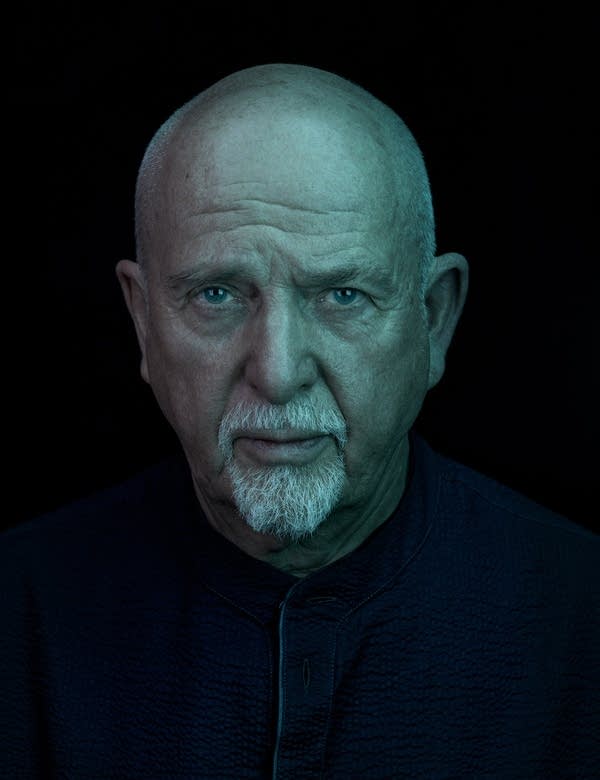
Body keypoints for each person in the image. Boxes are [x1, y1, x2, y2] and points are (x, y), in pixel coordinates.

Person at [1, 63, 598, 779]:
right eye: (217, 294)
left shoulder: (583, 617)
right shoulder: (17, 610)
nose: (278, 371)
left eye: (342, 294)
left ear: (433, 321)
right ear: (142, 320)